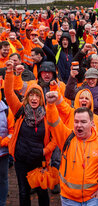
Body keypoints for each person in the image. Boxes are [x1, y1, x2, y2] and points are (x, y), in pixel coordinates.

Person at [4, 60, 56, 206]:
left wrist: (44, 151)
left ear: (41, 99)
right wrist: (10, 72)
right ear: (27, 97)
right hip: (21, 160)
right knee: (23, 192)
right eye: (31, 95)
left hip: (39, 161)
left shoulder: (47, 115)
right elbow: (8, 92)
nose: (34, 98)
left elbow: (55, 139)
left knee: (42, 192)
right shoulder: (19, 110)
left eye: (37, 96)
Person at [45, 91, 98, 205]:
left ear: (92, 123)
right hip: (69, 199)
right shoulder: (66, 137)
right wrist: (50, 105)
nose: (79, 125)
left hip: (93, 199)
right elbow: (54, 122)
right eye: (76, 122)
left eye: (83, 122)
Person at [0, 80, 14, 206]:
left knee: (3, 180)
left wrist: (4, 142)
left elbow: (12, 131)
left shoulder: (5, 110)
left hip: (2, 154)